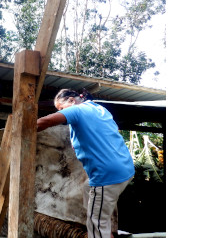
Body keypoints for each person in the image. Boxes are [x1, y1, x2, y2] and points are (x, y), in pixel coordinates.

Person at [37, 89, 135, 238]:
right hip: (124, 167)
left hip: (106, 175)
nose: (60, 112)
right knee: (87, 187)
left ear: (71, 100)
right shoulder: (99, 109)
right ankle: (102, 222)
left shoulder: (77, 110)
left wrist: (18, 127)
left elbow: (46, 121)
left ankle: (99, 230)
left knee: (96, 225)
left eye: (61, 108)